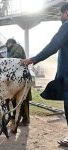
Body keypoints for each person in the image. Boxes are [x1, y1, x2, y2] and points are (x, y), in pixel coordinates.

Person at [22, 2, 68, 146]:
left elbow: (53, 46)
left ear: (66, 12)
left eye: (61, 14)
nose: (61, 17)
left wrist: (33, 59)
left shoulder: (67, 25)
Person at [6, 38, 32, 126]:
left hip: (22, 77)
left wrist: (4, 60)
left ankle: (26, 119)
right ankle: (16, 115)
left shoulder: (16, 46)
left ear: (10, 43)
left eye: (7, 44)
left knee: (23, 99)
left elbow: (17, 56)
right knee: (15, 98)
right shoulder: (10, 50)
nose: (6, 46)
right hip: (17, 78)